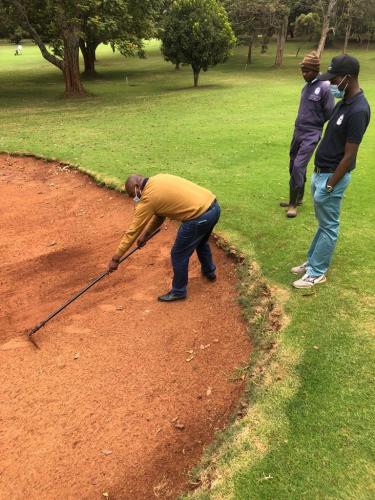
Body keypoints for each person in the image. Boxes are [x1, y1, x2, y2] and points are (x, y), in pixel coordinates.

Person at [292, 54, 371, 288]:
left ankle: (317, 272)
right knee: (323, 224)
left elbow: (349, 155)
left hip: (332, 177)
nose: (332, 84)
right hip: (321, 172)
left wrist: (329, 184)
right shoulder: (344, 102)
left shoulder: (358, 109)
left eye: (335, 79)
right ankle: (312, 261)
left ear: (348, 77)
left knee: (329, 226)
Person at [108, 173, 221, 301]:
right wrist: (146, 235)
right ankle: (209, 271)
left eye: (133, 196)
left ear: (137, 186)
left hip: (198, 218)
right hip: (214, 207)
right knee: (201, 242)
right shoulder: (158, 179)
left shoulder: (148, 198)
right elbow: (160, 214)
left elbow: (133, 231)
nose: (135, 199)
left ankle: (178, 291)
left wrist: (116, 259)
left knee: (178, 254)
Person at [281, 51, 334, 218]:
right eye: (302, 71)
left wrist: (316, 125)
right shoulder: (306, 87)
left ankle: (292, 205)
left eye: (307, 71)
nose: (304, 74)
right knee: (293, 165)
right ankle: (298, 198)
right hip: (298, 131)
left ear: (316, 70)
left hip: (312, 133)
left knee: (299, 166)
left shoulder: (324, 87)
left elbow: (329, 113)